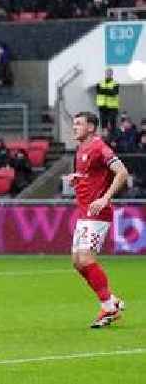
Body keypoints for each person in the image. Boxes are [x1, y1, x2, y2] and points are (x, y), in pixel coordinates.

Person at [66, 112, 128, 328]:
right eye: (74, 124)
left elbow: (122, 172)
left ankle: (108, 308)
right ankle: (112, 301)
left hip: (97, 212)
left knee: (85, 258)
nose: (74, 127)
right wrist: (77, 179)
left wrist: (105, 197)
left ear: (91, 127)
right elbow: (91, 176)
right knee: (77, 262)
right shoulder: (81, 149)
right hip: (84, 212)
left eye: (79, 124)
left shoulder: (100, 147)